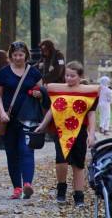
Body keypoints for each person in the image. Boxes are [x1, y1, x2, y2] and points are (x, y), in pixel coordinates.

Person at [36, 61, 98, 207]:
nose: (69, 78)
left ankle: (79, 194)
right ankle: (61, 189)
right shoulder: (58, 90)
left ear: (80, 76)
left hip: (80, 131)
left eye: (72, 76)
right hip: (60, 130)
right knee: (61, 161)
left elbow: (91, 115)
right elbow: (53, 110)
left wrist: (91, 134)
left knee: (78, 164)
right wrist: (43, 125)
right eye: (67, 75)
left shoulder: (89, 92)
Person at [0, 41, 44, 200]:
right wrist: (2, 112)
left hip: (28, 118)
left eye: (21, 55)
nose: (18, 58)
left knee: (26, 150)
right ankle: (16, 187)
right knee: (12, 153)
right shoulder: (4, 73)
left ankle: (27, 184)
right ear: (10, 56)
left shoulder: (34, 73)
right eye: (15, 55)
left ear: (26, 55)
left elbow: (42, 91)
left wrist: (39, 93)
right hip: (8, 119)